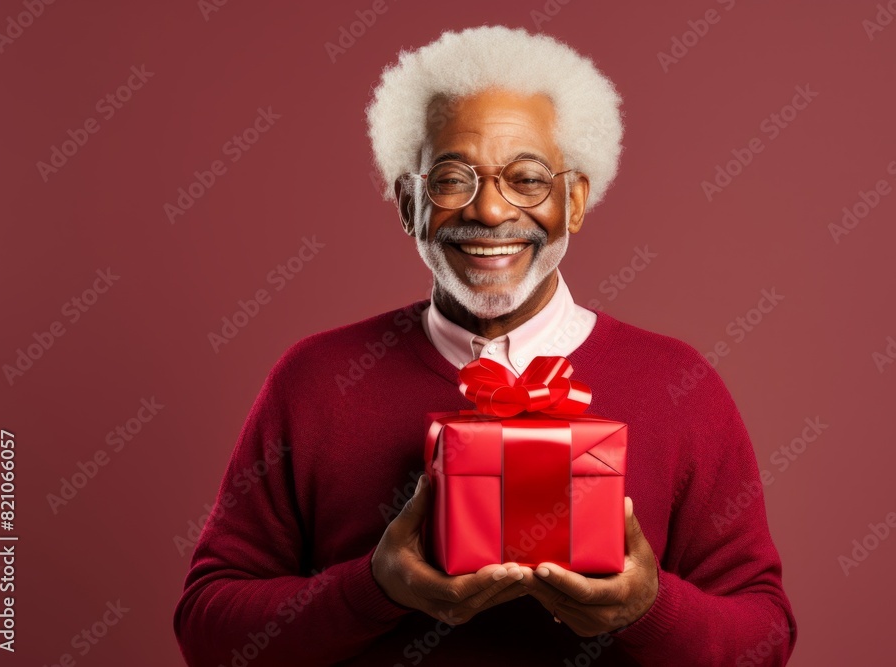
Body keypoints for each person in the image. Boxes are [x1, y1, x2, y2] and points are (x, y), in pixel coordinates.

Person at [174, 25, 796, 666]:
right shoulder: (314, 381)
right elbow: (207, 629)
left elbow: (765, 640)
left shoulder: (679, 385)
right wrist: (373, 590)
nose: (492, 213)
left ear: (576, 200)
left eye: (527, 179)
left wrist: (648, 609)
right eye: (451, 178)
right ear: (407, 200)